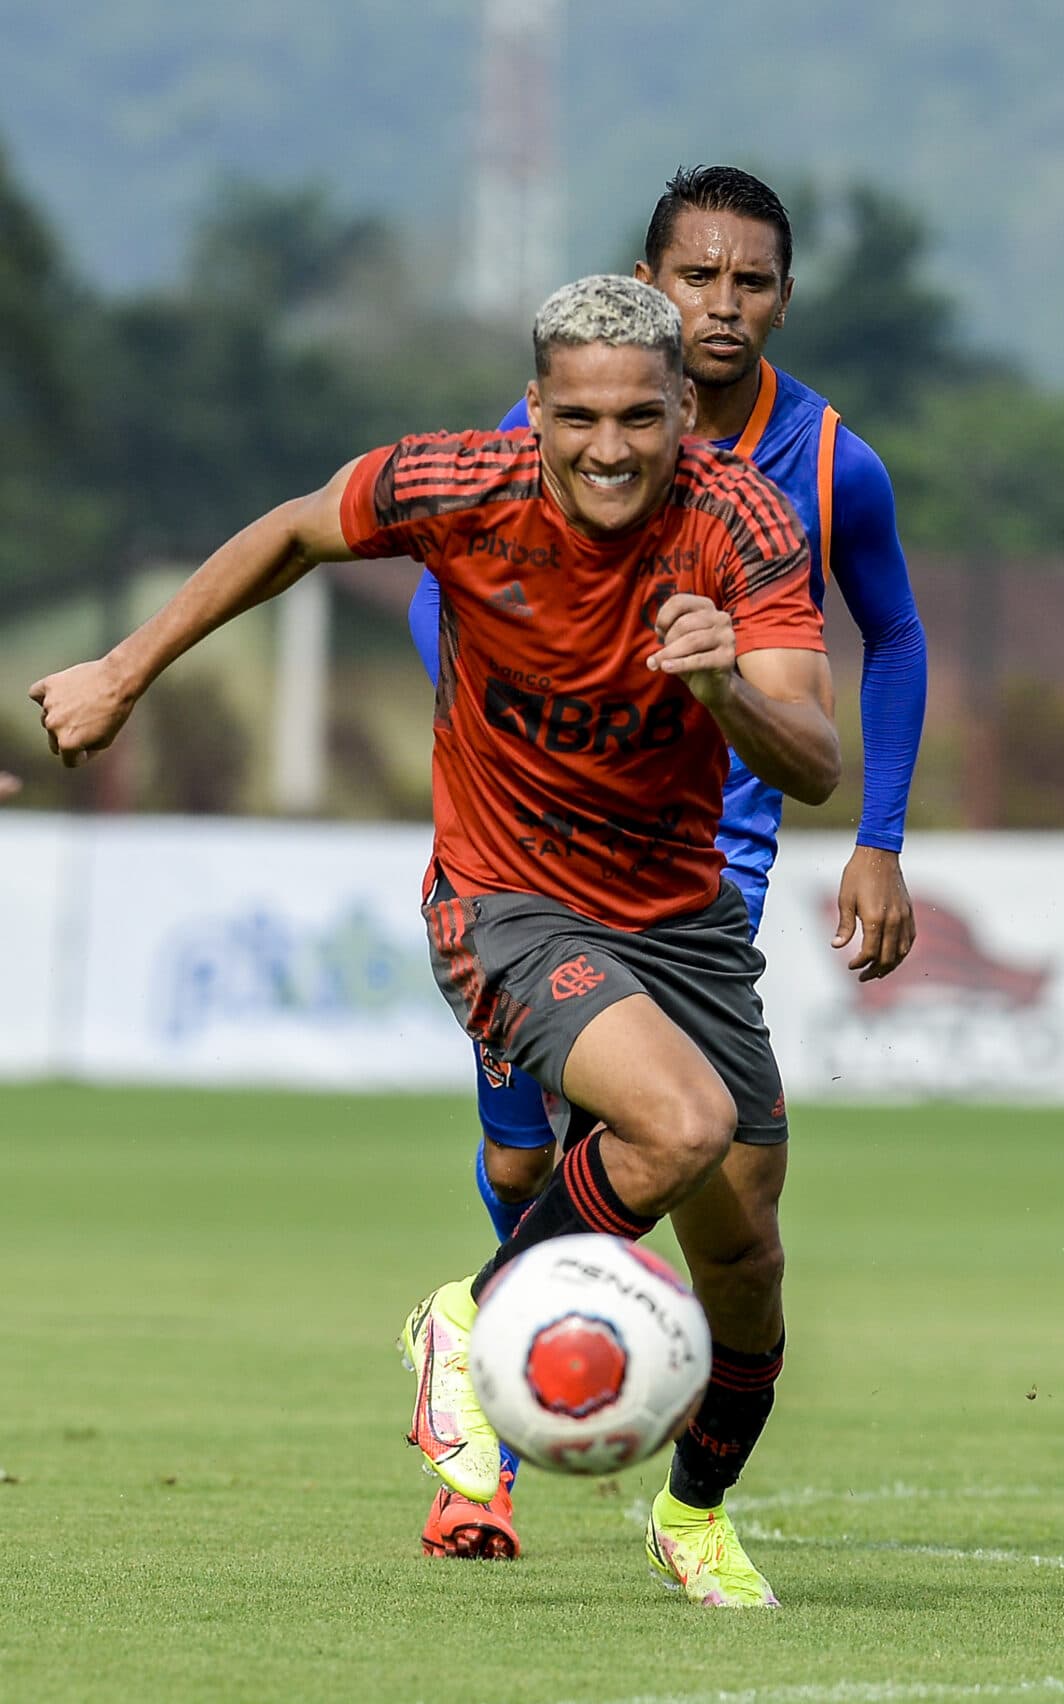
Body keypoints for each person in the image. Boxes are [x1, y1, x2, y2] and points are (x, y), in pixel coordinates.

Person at [32, 274, 843, 1609]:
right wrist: (126, 668)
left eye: (641, 418)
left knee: (746, 1265)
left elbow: (809, 758)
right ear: (534, 410)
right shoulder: (457, 484)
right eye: (577, 417)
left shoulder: (742, 523)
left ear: (685, 413)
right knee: (679, 1124)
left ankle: (694, 1518)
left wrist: (720, 688)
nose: (609, 448)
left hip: (680, 916)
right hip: (506, 900)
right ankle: (472, 1319)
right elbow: (295, 534)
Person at [403, 165, 928, 1561]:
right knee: (532, 1163)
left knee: (716, 1203)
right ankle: (484, 1438)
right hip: (531, 856)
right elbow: (434, 596)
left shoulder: (828, 464)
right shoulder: (569, 424)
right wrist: (502, 740)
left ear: (784, 297)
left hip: (714, 870)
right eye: (696, 277)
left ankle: (673, 1505)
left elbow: (897, 635)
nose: (722, 303)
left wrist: (878, 837)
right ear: (650, 279)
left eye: (750, 281)